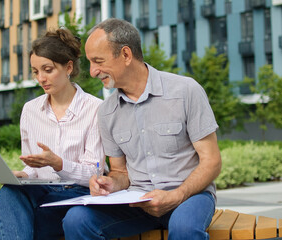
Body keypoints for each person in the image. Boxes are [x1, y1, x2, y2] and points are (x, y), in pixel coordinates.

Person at [62, 18, 222, 240]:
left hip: (189, 196)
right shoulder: (107, 111)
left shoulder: (185, 91)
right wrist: (110, 182)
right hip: (138, 201)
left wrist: (177, 195)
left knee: (184, 228)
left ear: (126, 55)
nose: (92, 71)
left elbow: (212, 161)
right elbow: (120, 172)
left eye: (98, 61)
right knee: (76, 220)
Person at [0, 28, 104, 240]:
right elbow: (32, 166)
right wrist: (24, 175)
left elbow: (95, 174)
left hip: (77, 196)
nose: (41, 78)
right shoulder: (30, 110)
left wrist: (58, 163)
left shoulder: (96, 109)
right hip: (41, 192)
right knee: (9, 192)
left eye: (48, 69)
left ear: (68, 67)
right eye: (35, 71)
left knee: (23, 217)